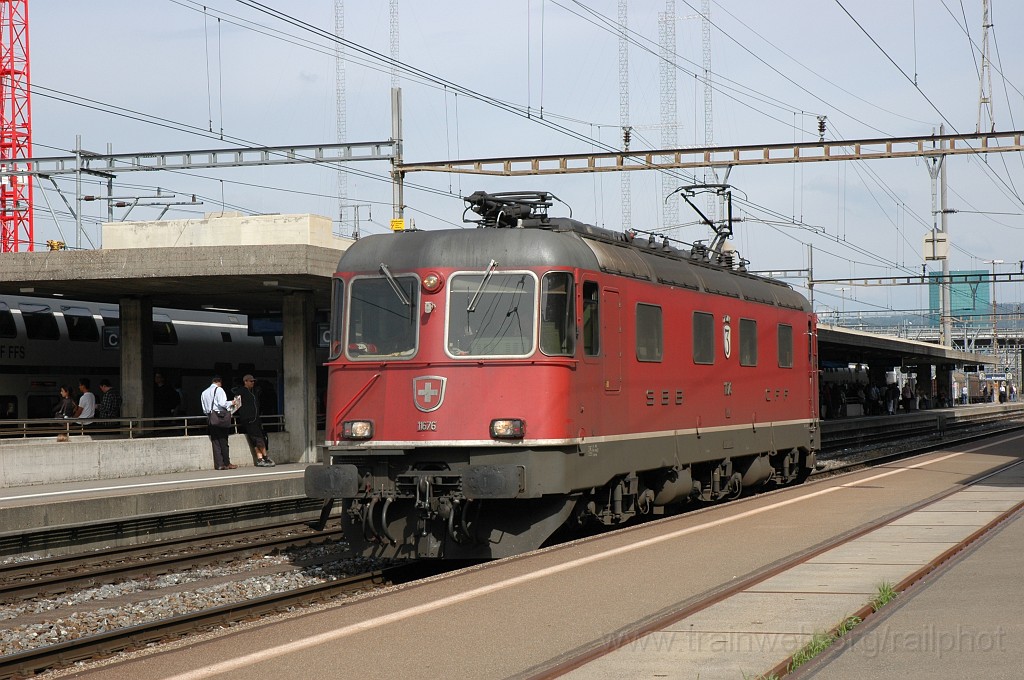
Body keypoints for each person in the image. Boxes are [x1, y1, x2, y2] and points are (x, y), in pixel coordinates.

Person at [232, 374, 275, 467]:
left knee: (256, 439)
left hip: (256, 419)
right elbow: (235, 405)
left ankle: (260, 459)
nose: (253, 383)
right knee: (258, 438)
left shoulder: (253, 392)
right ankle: (266, 457)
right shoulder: (241, 392)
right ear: (245, 381)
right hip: (248, 419)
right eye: (251, 381)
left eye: (253, 381)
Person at [201, 375, 237, 470]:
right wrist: (232, 403)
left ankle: (219, 465)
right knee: (223, 440)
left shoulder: (204, 392)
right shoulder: (219, 390)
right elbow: (222, 403)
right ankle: (227, 463)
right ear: (219, 382)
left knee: (215, 441)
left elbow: (204, 409)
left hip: (211, 418)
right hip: (220, 417)